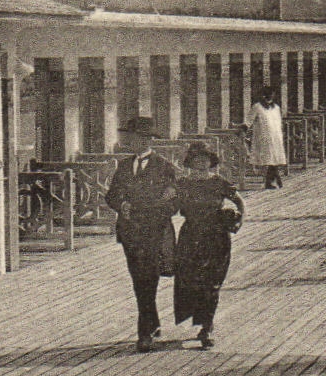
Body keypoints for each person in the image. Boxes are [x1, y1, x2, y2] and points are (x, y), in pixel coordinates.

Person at [103, 116, 180, 351]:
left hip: (155, 231)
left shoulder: (165, 167)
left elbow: (174, 203)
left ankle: (144, 331)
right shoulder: (124, 166)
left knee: (148, 278)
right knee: (140, 279)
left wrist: (156, 211)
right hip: (130, 232)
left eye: (136, 137)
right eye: (130, 136)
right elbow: (112, 194)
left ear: (148, 140)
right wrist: (121, 204)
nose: (131, 141)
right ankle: (152, 322)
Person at [173, 143, 245, 349]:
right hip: (191, 235)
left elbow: (239, 202)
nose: (201, 163)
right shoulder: (183, 184)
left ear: (210, 162)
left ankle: (207, 326)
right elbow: (171, 205)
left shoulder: (219, 182)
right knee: (191, 279)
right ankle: (200, 319)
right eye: (197, 159)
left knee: (212, 281)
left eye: (205, 159)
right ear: (191, 162)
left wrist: (240, 221)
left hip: (216, 236)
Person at [249, 86, 287, 189]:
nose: (269, 96)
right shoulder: (257, 107)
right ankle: (274, 179)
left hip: (275, 136)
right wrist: (243, 129)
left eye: (271, 94)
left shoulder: (276, 108)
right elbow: (249, 121)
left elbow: (279, 122)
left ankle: (272, 180)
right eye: (267, 94)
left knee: (274, 159)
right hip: (264, 137)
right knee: (269, 159)